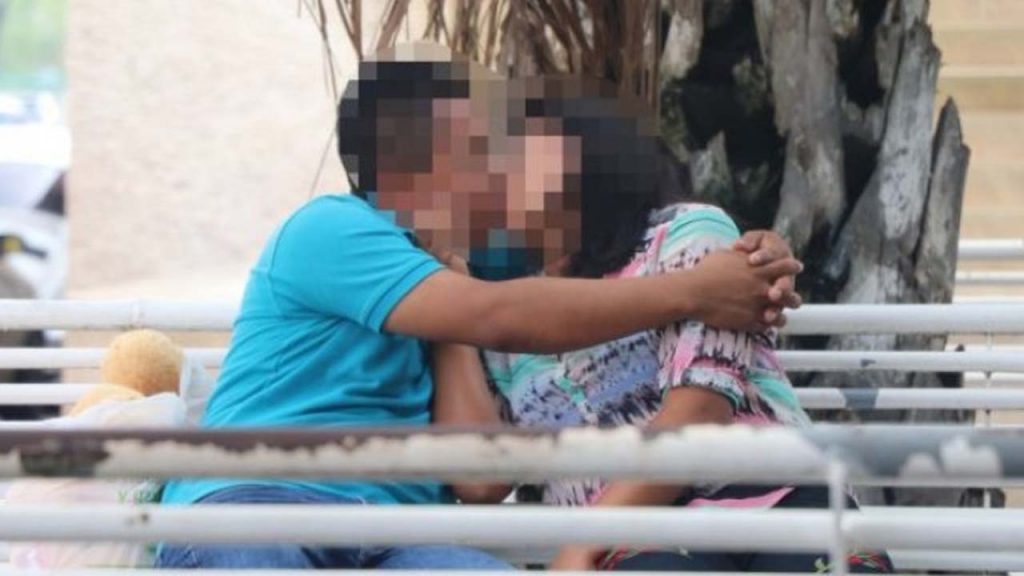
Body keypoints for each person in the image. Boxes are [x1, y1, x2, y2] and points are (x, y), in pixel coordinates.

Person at [156, 45, 803, 570]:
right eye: (485, 145)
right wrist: (694, 290)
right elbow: (499, 316)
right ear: (420, 161)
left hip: (400, 537)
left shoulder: (484, 269)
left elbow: (584, 265)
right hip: (265, 501)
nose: (501, 165)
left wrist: (758, 258)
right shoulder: (333, 228)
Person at [431, 76, 893, 573]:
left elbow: (699, 411)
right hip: (636, 545)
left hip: (771, 496)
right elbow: (482, 481)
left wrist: (585, 542)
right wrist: (450, 306)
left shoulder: (686, 233)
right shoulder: (505, 311)